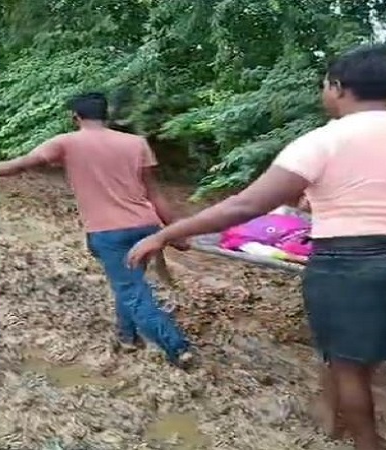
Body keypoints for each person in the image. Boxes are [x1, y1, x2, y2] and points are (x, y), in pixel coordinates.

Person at [126, 44, 386, 450]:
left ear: (337, 87)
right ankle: (341, 425)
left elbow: (247, 204)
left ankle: (366, 443)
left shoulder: (322, 142)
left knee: (349, 367)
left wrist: (162, 233)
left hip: (348, 266)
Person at [0, 92, 193, 366]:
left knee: (132, 291)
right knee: (130, 283)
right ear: (106, 116)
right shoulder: (137, 143)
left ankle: (177, 348)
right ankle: (127, 338)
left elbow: (17, 166)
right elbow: (155, 193)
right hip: (146, 226)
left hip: (108, 232)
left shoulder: (66, 142)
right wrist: (175, 231)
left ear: (75, 117)